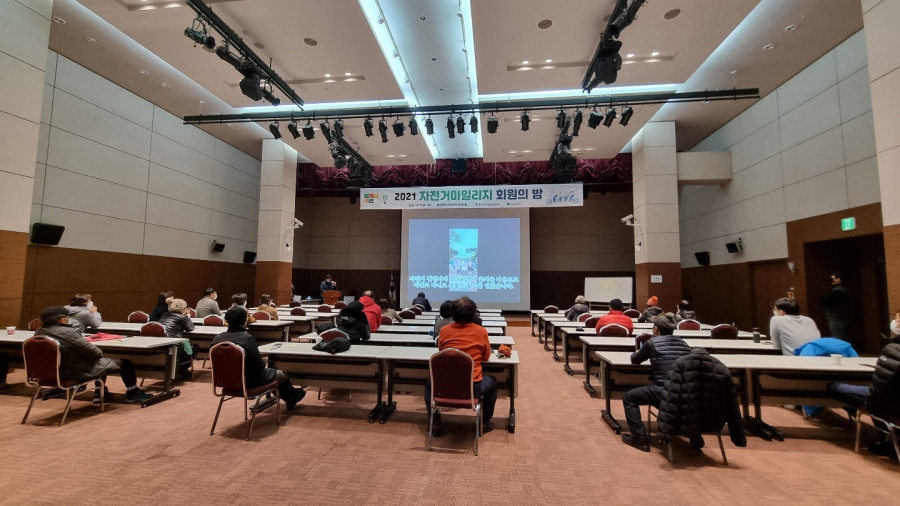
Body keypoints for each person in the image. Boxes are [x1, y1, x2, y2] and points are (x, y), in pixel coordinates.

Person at [35, 306, 151, 404]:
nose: (69, 319)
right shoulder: (68, 333)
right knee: (124, 363)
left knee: (101, 362)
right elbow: (95, 353)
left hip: (52, 373)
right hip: (76, 372)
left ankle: (100, 393)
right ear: (61, 320)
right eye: (67, 317)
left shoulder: (39, 332)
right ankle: (132, 393)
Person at [426, 296, 497, 436]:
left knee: (429, 383)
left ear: (453, 312)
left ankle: (434, 424)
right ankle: (485, 423)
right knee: (493, 382)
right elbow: (486, 357)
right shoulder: (481, 331)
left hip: (445, 386)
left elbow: (442, 353)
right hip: (473, 388)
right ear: (474, 313)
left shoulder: (444, 331)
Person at [621, 313, 692, 452]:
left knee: (629, 397)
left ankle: (639, 438)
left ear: (656, 329)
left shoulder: (652, 343)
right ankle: (691, 433)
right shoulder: (684, 344)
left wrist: (638, 351)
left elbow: (635, 360)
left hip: (663, 392)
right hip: (685, 393)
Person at [211, 307, 306, 410]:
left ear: (226, 321)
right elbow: (259, 366)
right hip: (250, 381)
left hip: (226, 381)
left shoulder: (217, 339)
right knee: (281, 374)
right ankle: (291, 396)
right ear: (245, 321)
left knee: (272, 374)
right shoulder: (247, 339)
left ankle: (291, 396)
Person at [827, 337, 900, 458]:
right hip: (889, 402)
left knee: (833, 387)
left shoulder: (890, 349)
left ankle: (889, 442)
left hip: (881, 403)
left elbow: (880, 390)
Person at [156, 297, 196, 380]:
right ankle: (182, 370)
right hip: (172, 345)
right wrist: (187, 316)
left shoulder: (164, 314)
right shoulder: (182, 317)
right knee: (195, 348)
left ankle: (181, 369)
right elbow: (191, 328)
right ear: (183, 309)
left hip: (160, 343)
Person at [819, 270, 850, 340]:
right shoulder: (843, 290)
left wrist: (822, 298)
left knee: (839, 338)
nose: (832, 280)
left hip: (837, 319)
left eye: (835, 278)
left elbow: (825, 303)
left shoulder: (838, 292)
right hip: (841, 318)